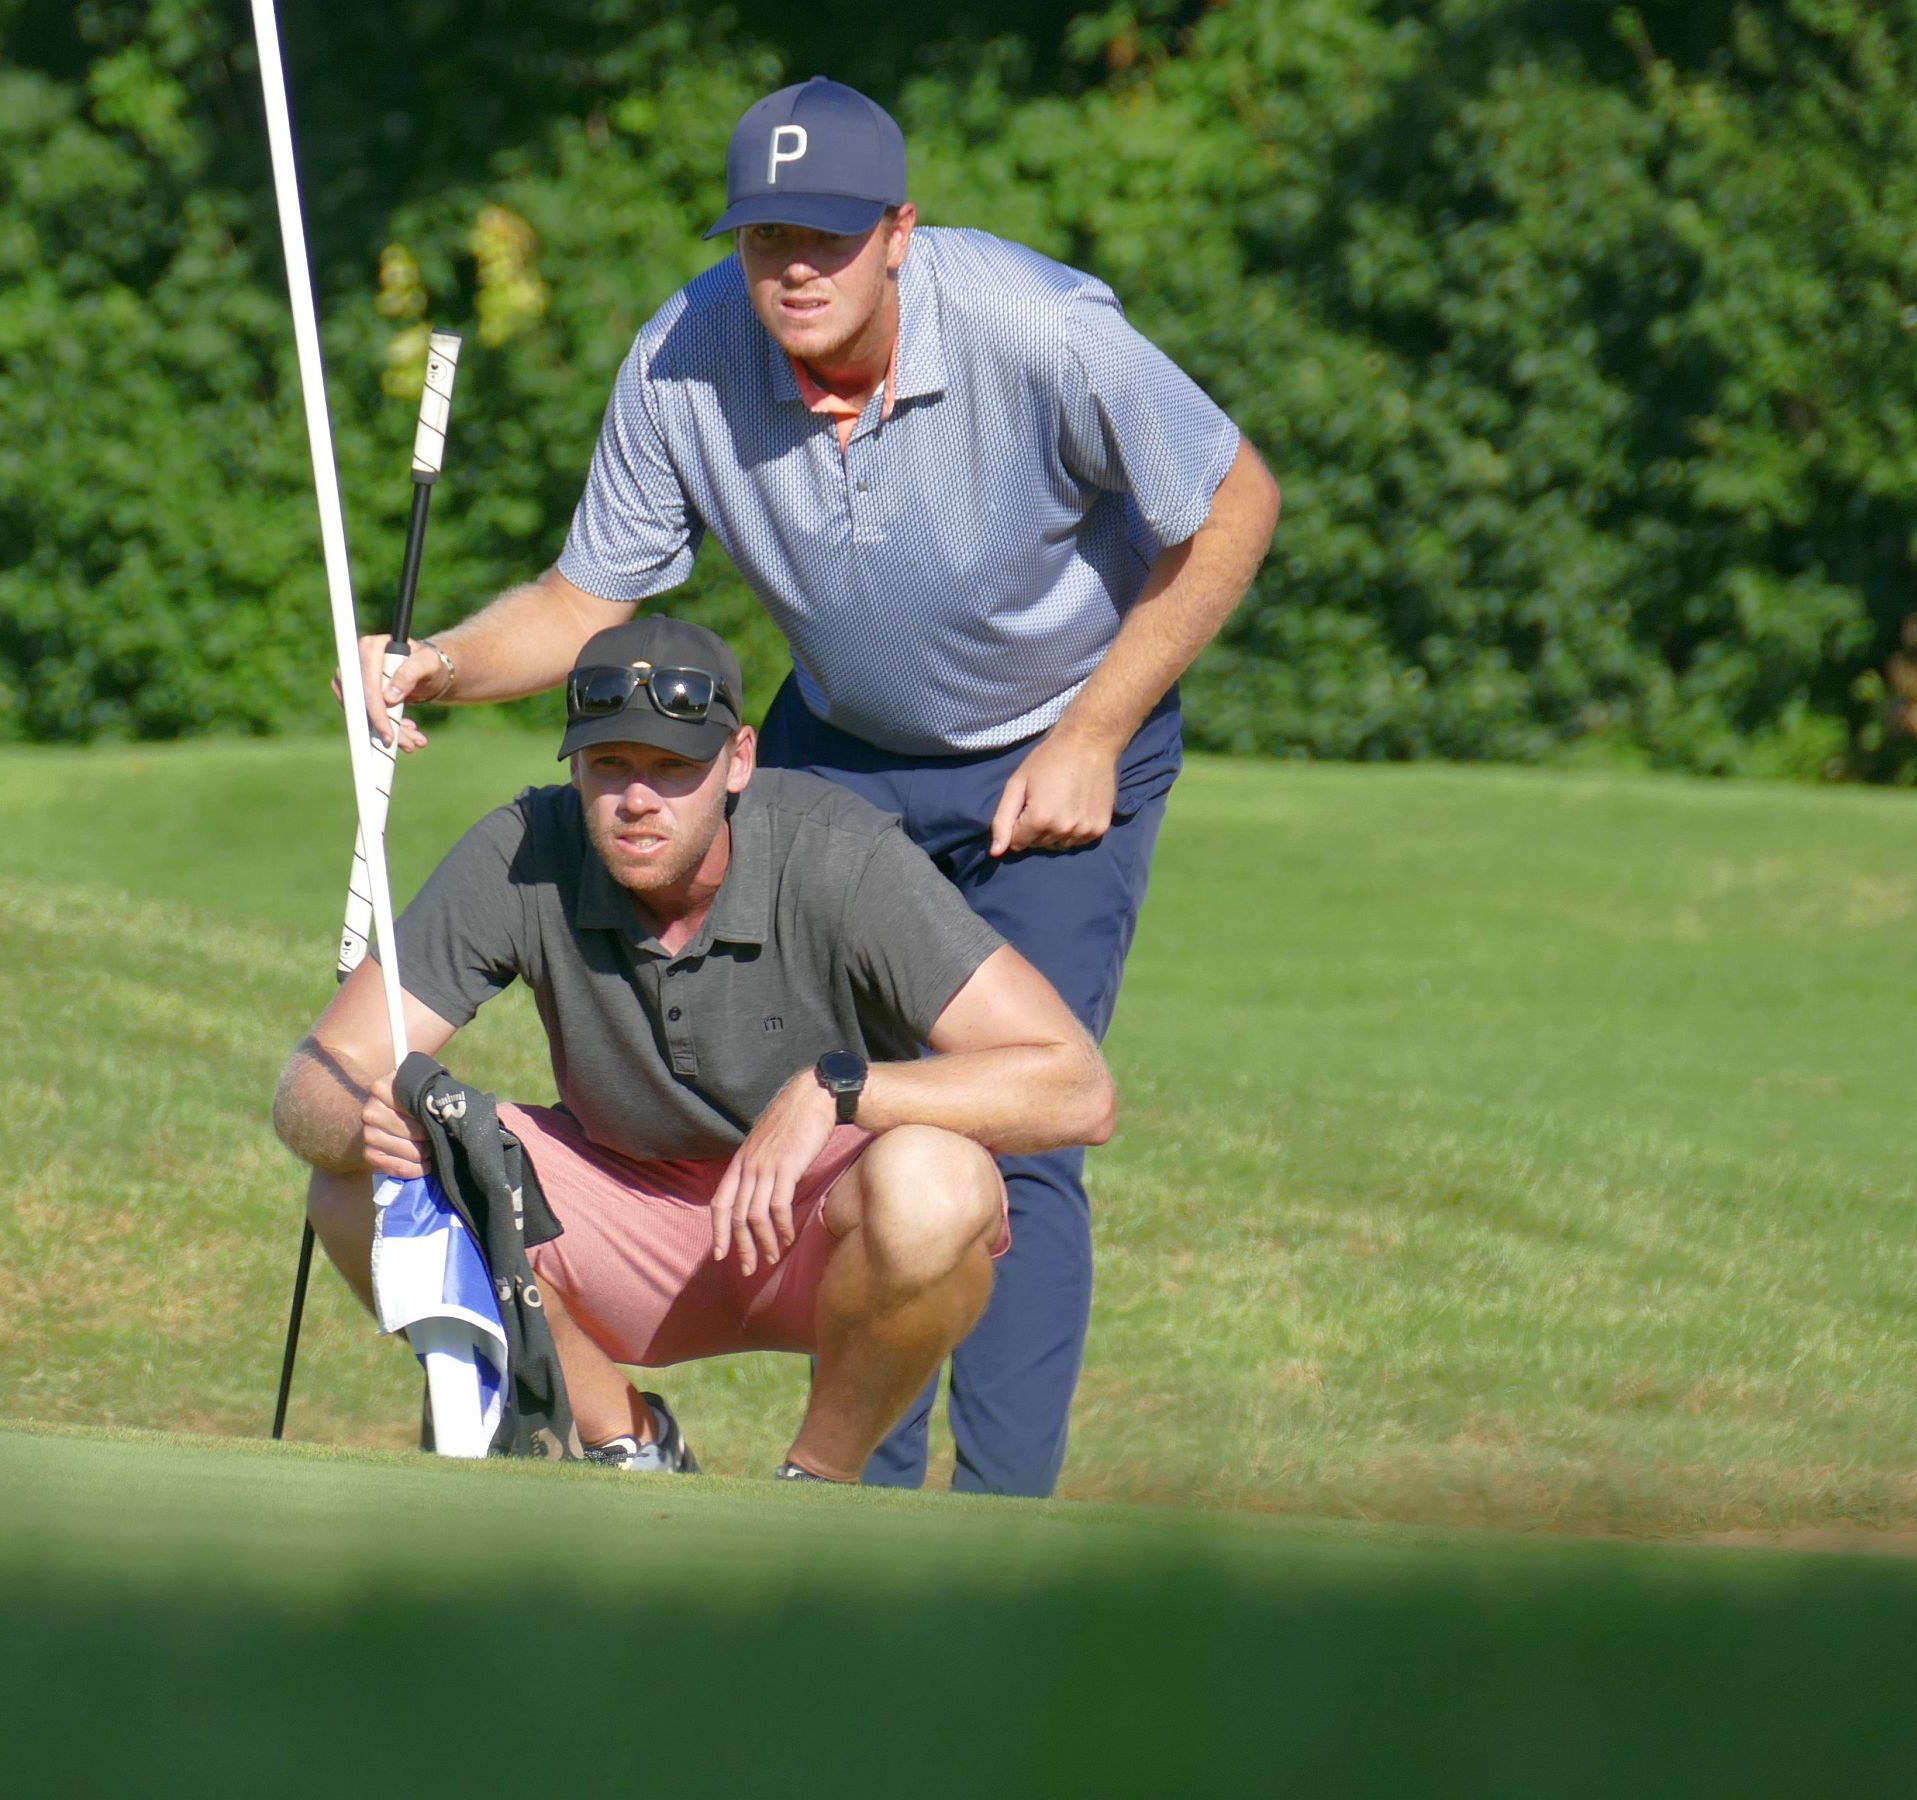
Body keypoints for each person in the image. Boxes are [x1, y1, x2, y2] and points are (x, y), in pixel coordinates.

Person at [353, 79, 1279, 1494]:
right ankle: (848, 1504)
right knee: (837, 1120)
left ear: (899, 232)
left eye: (829, 237)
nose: (793, 265)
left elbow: (1234, 500)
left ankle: (996, 1516)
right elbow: (585, 597)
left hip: (1059, 746)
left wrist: (1096, 731)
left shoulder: (1036, 328)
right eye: (764, 234)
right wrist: (442, 666)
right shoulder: (685, 354)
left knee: (993, 1120)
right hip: (840, 749)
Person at [273, 616, 1116, 1480]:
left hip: (817, 1227)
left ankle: (815, 1485)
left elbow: (1076, 1087)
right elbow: (315, 1082)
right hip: (618, 1226)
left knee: (940, 1179)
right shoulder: (523, 850)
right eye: (610, 767)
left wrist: (835, 1090)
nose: (639, 800)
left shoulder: (838, 851)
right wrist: (373, 1124)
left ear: (739, 761)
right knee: (359, 1191)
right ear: (575, 766)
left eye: (675, 769)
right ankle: (626, 1444)